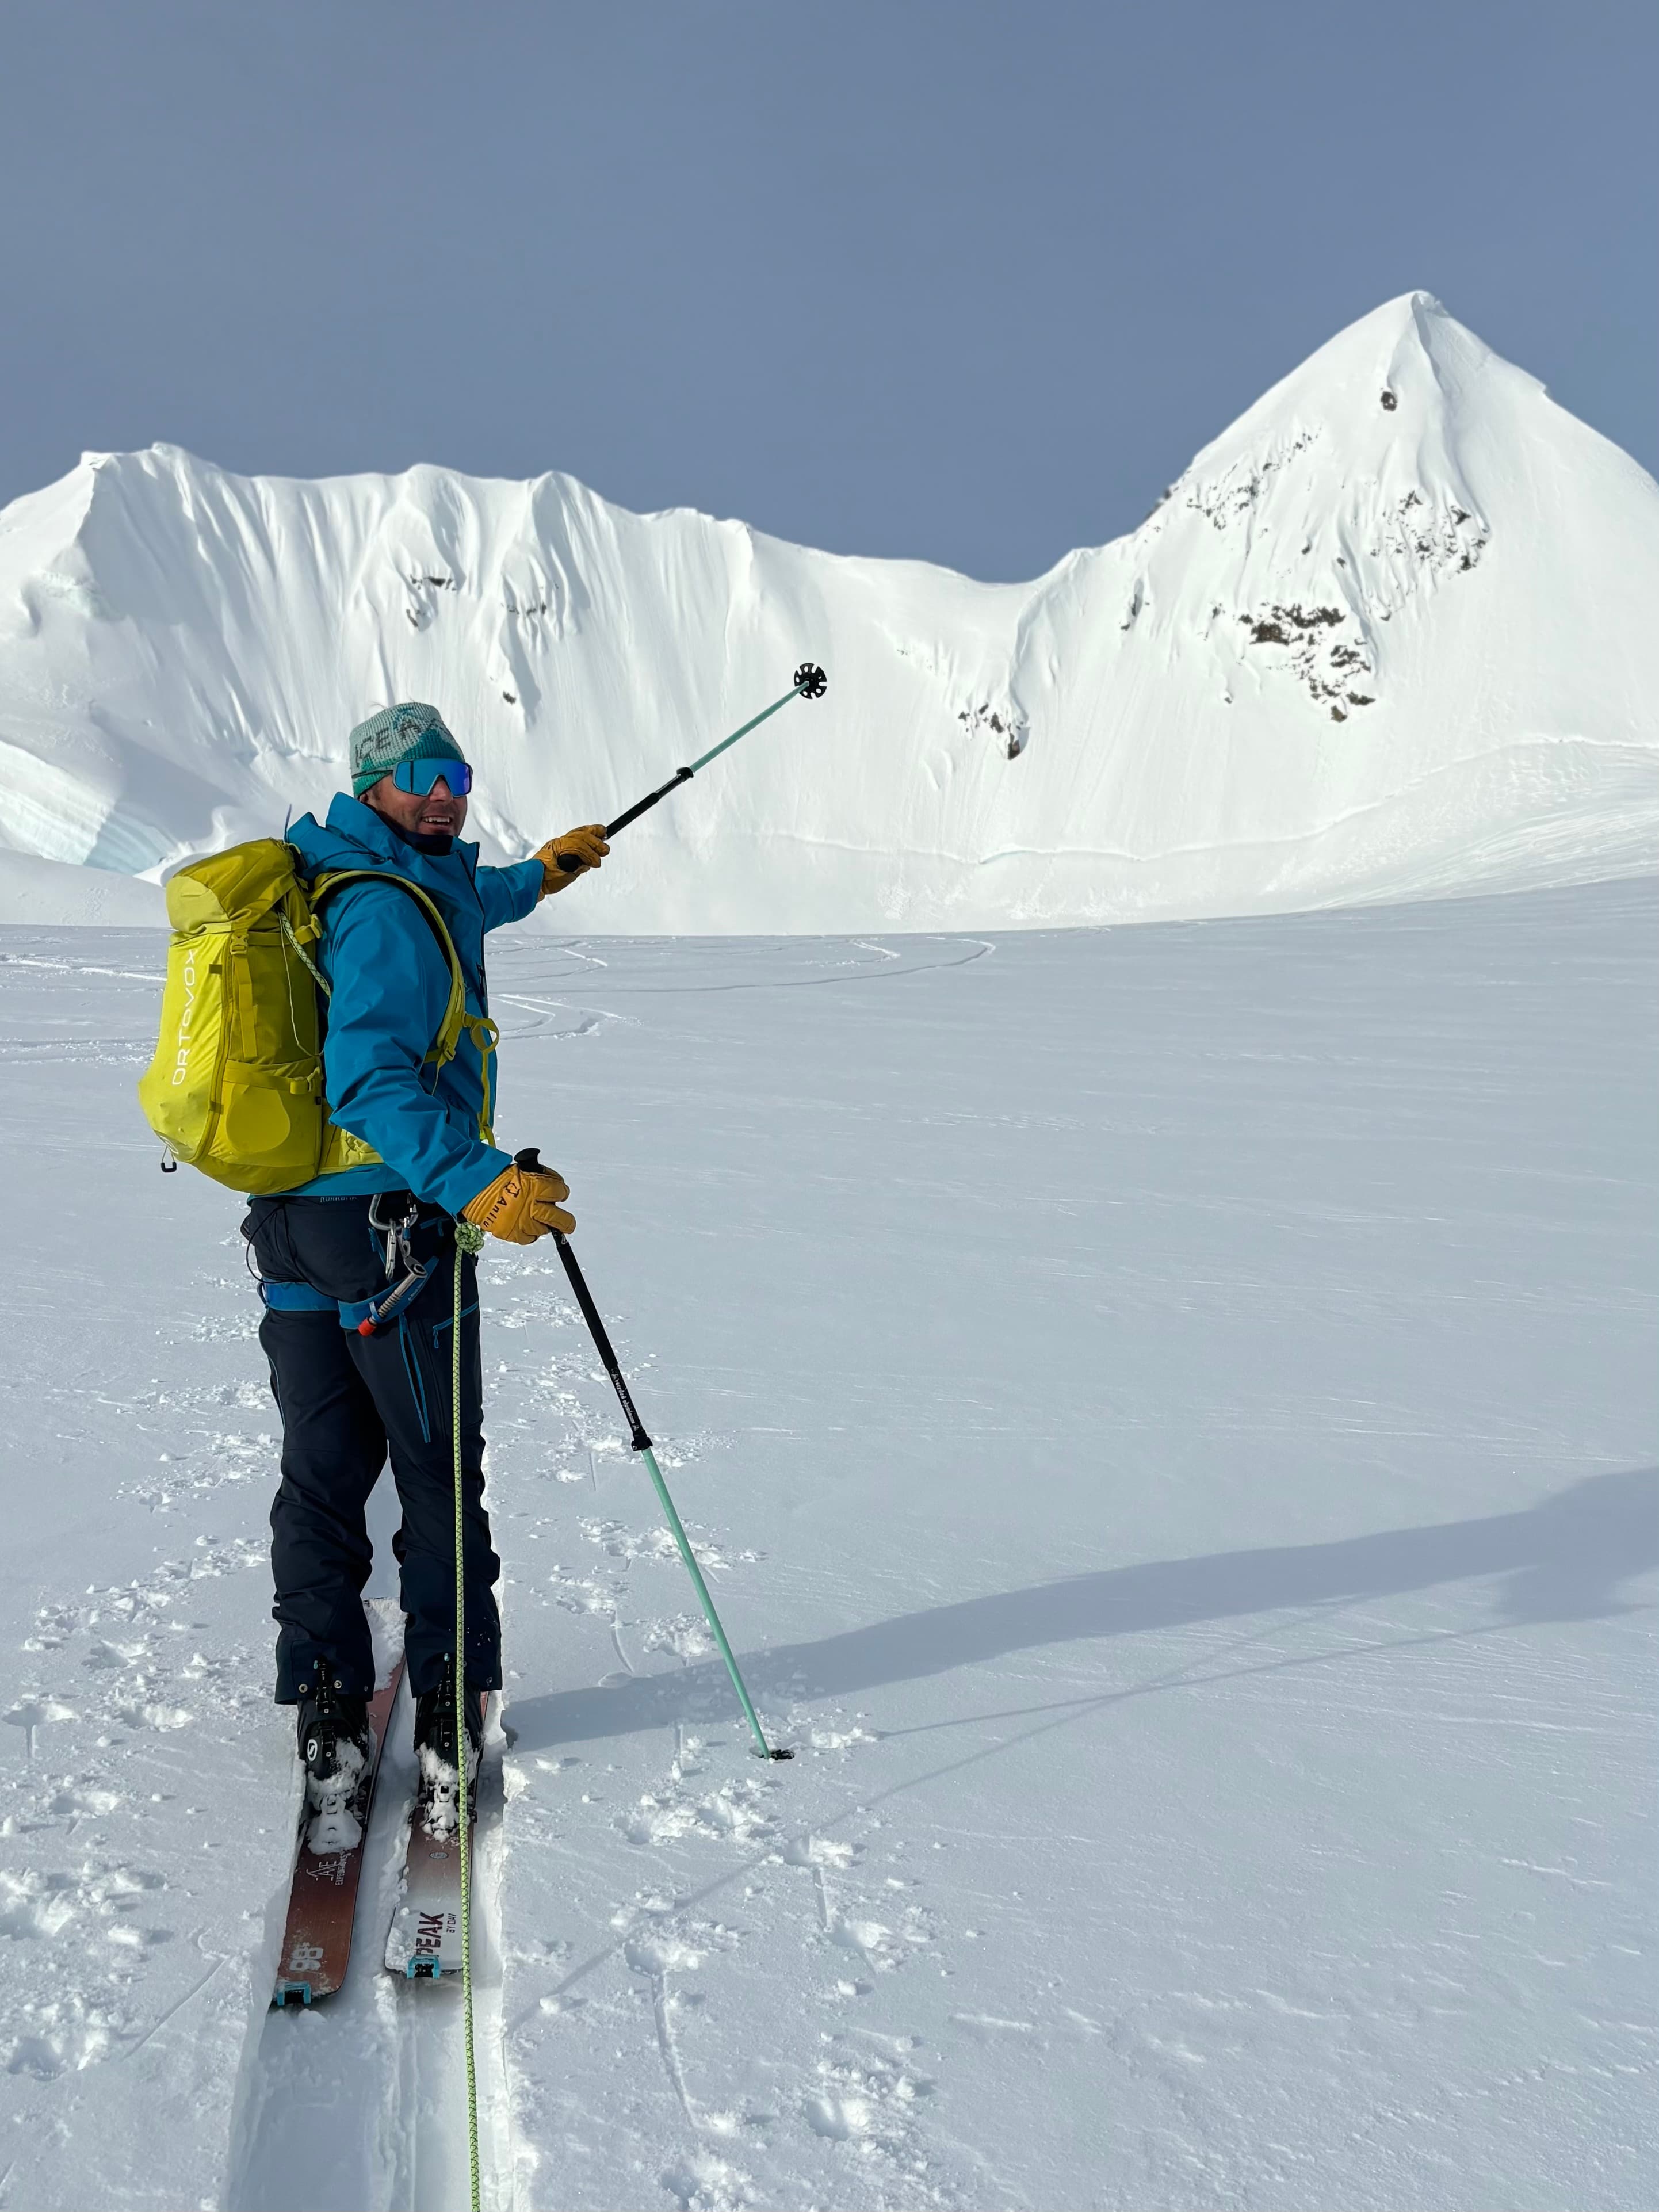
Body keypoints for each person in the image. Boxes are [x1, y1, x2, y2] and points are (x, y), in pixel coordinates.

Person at [240, 701, 607, 1829]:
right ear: (373, 783)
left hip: (297, 1222)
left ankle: (325, 1708)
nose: (445, 792)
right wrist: (480, 1184)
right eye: (420, 776)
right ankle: (447, 1715)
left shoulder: (353, 867)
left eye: (454, 770)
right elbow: (372, 1080)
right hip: (393, 1227)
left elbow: (453, 904)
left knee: (322, 1467)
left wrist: (536, 877)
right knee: (439, 1470)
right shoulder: (388, 911)